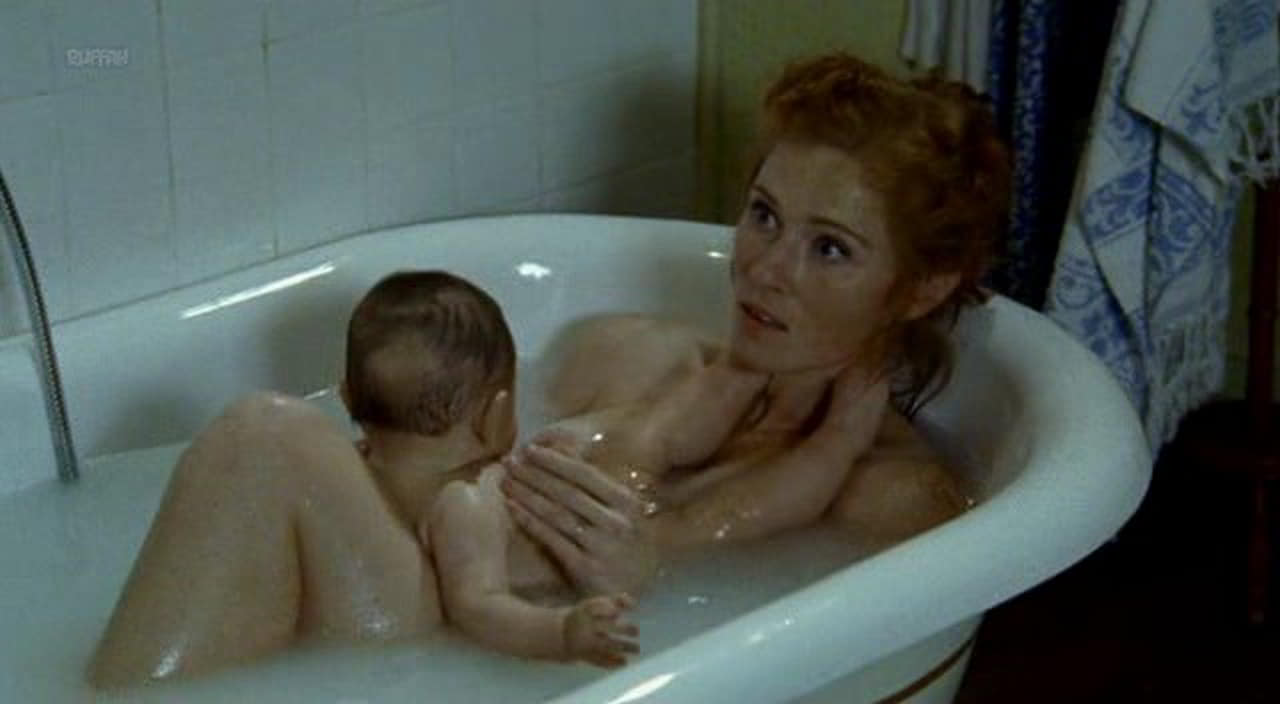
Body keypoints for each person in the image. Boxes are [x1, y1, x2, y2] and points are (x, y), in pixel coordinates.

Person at [499, 52, 1012, 599]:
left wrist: (664, 546)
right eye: (765, 215)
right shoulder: (625, 354)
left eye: (829, 248)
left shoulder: (891, 499)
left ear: (919, 290)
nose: (764, 269)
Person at [88, 271, 637, 689]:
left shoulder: (405, 481)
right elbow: (480, 604)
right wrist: (561, 633)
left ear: (347, 398)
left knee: (264, 430)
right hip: (388, 645)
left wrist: (558, 623)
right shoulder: (465, 496)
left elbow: (479, 601)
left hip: (394, 642)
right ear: (496, 416)